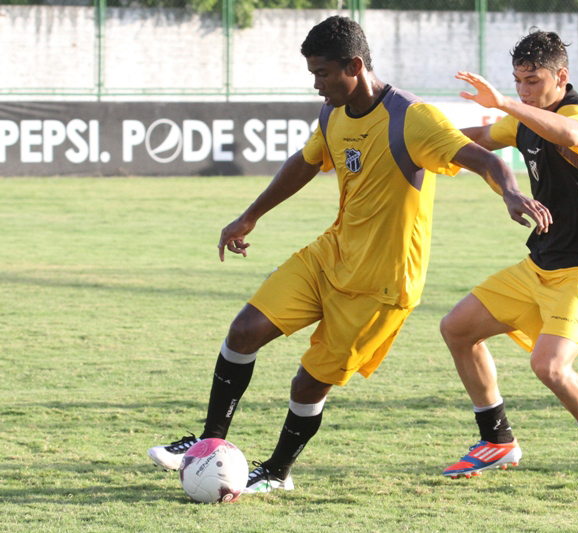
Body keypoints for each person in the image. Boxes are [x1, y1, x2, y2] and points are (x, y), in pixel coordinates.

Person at [147, 16, 551, 494]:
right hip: (330, 255)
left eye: (322, 73)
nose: (316, 84)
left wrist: (508, 193)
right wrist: (249, 216)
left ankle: (276, 472)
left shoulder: (412, 118)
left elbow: (483, 157)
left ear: (354, 66)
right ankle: (209, 444)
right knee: (243, 331)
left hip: (381, 285)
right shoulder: (332, 112)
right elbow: (305, 162)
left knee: (306, 384)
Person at [439, 28, 578, 493]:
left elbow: (570, 133)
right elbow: (483, 137)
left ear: (560, 77)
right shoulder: (525, 117)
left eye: (532, 81)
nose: (525, 90)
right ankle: (497, 440)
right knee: (457, 328)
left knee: (549, 367)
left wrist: (506, 101)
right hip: (540, 266)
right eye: (518, 81)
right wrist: (415, 144)